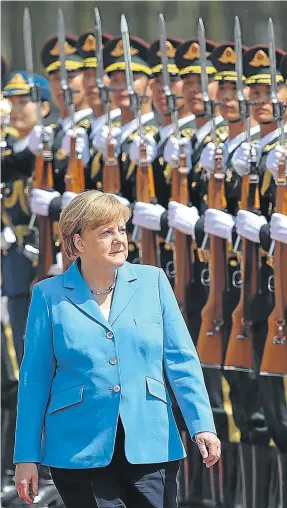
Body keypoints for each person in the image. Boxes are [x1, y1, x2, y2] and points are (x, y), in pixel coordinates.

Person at [14, 191, 220, 508]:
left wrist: (202, 425)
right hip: (79, 448)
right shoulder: (48, 295)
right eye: (106, 232)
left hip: (152, 440)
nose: (119, 239)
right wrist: (26, 456)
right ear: (79, 242)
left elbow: (181, 363)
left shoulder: (154, 282)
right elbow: (34, 382)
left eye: (121, 229)